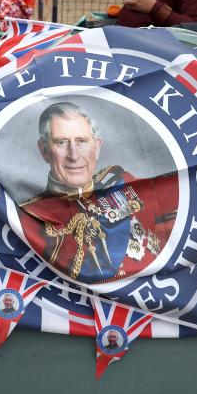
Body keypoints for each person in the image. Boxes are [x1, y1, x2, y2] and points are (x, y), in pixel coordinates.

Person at [19, 102, 178, 283]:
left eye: (81, 142)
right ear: (44, 150)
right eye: (61, 142)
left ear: (97, 147)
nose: (74, 155)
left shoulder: (122, 182)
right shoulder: (29, 216)